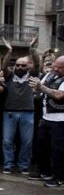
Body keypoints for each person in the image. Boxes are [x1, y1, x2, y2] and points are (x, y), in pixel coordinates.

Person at [0, 37, 40, 174]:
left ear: (27, 66)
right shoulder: (10, 76)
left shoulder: (32, 75)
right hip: (9, 112)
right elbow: (4, 66)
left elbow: (37, 63)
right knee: (7, 141)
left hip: (27, 112)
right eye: (17, 65)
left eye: (23, 65)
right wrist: (9, 51)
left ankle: (23, 165)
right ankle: (8, 165)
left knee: (27, 142)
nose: (20, 67)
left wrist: (32, 49)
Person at [29, 55, 64, 187]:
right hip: (46, 116)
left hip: (61, 119)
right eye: (55, 66)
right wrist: (36, 88)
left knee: (58, 150)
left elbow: (59, 95)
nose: (56, 69)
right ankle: (45, 172)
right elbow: (38, 89)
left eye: (60, 67)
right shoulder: (50, 75)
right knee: (42, 147)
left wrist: (41, 87)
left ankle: (59, 177)